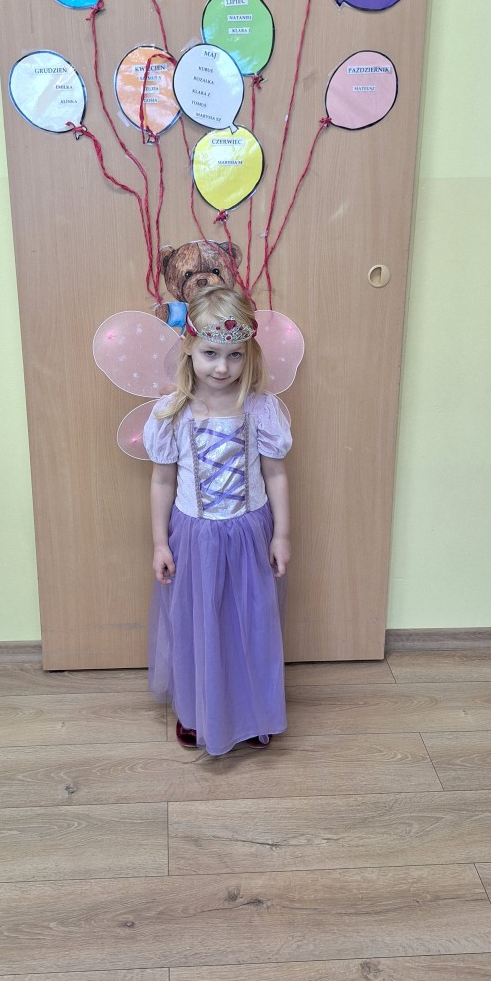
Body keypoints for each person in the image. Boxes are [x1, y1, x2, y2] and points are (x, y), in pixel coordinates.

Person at [142, 284, 291, 756]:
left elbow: (276, 473)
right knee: (197, 626)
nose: (222, 367)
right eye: (210, 353)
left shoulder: (261, 409)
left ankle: (254, 712)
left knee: (251, 625)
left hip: (249, 534)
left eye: (234, 355)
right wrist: (160, 543)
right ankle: (197, 711)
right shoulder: (171, 413)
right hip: (195, 536)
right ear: (189, 347)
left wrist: (282, 534)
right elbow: (162, 481)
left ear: (249, 353)